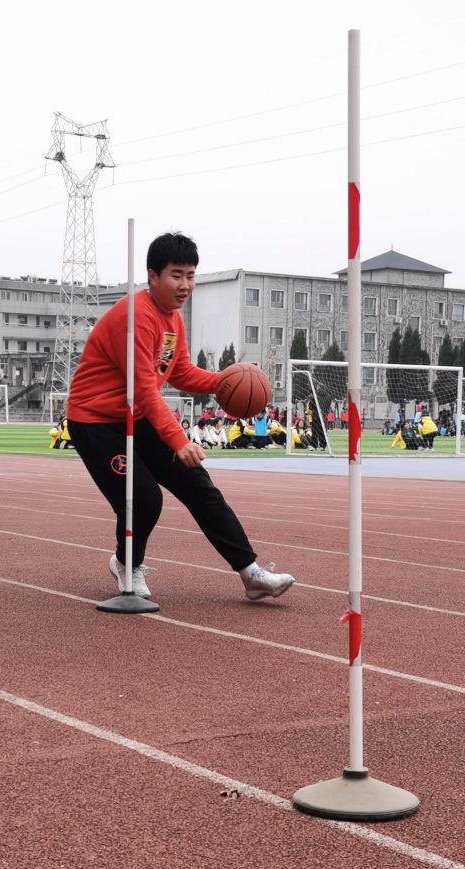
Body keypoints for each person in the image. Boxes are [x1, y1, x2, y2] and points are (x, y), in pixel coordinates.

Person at [64, 231, 294, 602]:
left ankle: (251, 573)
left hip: (134, 415)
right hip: (96, 421)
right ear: (153, 275)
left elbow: (179, 371)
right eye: (176, 275)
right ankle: (126, 563)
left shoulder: (172, 318)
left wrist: (224, 382)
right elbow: (143, 389)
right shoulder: (135, 318)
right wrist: (179, 440)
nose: (186, 284)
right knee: (143, 498)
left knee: (200, 488)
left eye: (191, 275)